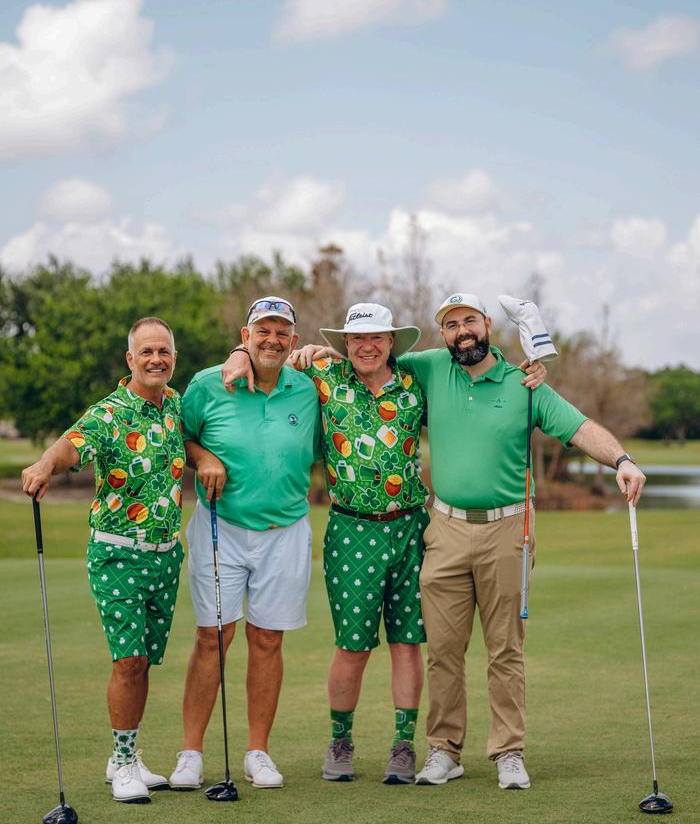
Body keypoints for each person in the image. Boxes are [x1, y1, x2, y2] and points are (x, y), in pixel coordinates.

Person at [222, 302, 544, 785]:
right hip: (350, 528)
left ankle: (403, 745)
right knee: (351, 645)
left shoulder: (416, 382)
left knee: (407, 643)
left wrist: (528, 371)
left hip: (411, 527)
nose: (367, 346)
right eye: (357, 339)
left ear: (392, 342)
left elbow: (472, 381)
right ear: (344, 343)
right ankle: (341, 741)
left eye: (377, 337)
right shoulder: (322, 377)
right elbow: (266, 357)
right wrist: (237, 353)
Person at [396, 293, 647, 789]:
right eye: (451, 325)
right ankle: (444, 751)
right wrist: (314, 354)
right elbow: (370, 357)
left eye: (469, 321)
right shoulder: (429, 368)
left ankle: (508, 751)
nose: (462, 331)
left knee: (505, 649)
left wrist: (622, 460)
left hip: (509, 529)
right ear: (442, 334)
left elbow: (579, 427)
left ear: (488, 324)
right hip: (445, 528)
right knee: (443, 651)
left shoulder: (525, 385)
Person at [21, 317, 184, 804]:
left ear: (173, 358)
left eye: (164, 351)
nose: (156, 359)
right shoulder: (109, 413)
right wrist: (45, 463)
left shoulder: (175, 406)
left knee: (143, 662)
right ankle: (125, 763)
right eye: (146, 351)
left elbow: (195, 442)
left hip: (166, 555)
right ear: (130, 359)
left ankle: (124, 756)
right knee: (128, 660)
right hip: (117, 553)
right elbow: (72, 444)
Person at [169, 297, 320, 791]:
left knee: (268, 639)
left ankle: (258, 752)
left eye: (282, 332)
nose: (272, 340)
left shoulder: (310, 389)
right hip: (222, 527)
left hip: (286, 530)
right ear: (245, 335)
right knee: (212, 637)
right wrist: (203, 457)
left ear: (293, 340)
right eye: (262, 331)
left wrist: (327, 355)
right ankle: (191, 753)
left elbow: (360, 368)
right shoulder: (208, 383)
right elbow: (178, 436)